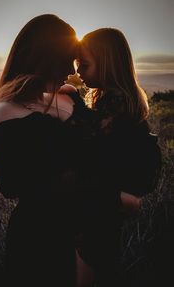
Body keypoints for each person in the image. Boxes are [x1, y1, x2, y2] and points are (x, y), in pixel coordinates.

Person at [0, 15, 123, 287]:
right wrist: (114, 196)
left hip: (92, 236)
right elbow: (17, 184)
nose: (71, 70)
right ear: (43, 59)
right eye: (65, 59)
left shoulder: (68, 97)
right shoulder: (5, 113)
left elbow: (108, 147)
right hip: (42, 241)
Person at [65, 27, 161, 286]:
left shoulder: (116, 101)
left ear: (107, 64)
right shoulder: (117, 97)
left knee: (95, 265)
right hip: (110, 204)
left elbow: (91, 140)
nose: (78, 72)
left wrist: (71, 101)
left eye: (84, 65)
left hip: (105, 208)